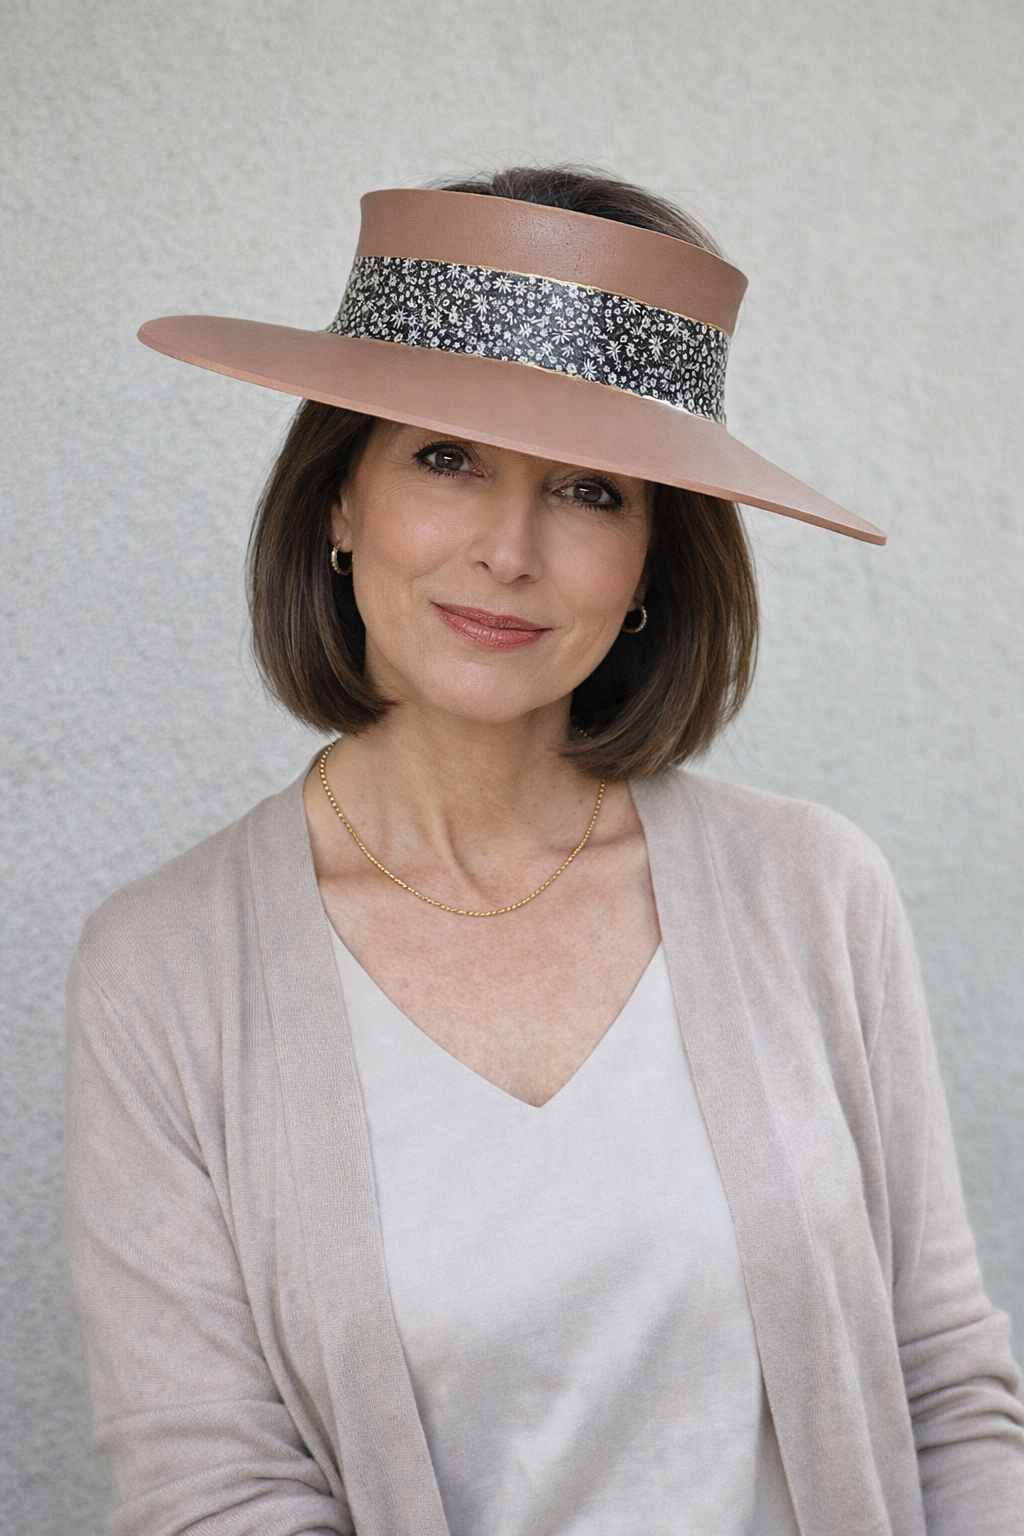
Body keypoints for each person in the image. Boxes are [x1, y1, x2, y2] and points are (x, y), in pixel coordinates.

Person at [67, 167, 1023, 1536]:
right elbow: (209, 1490)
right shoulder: (162, 972)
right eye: (445, 458)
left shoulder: (817, 891)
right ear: (339, 499)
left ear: (652, 563)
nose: (508, 551)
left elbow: (948, 1390)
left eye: (590, 489)